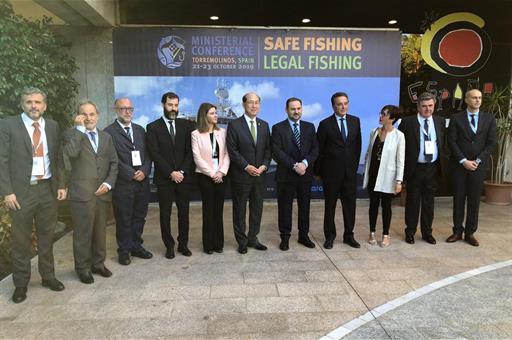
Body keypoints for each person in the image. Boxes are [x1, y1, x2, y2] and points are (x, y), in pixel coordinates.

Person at [0, 87, 67, 303]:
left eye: (38, 102)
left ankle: (48, 277)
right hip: (22, 192)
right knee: (21, 241)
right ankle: (21, 285)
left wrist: (61, 184)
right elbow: (2, 161)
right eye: (29, 102)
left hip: (47, 189)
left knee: (47, 237)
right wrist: (7, 191)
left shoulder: (53, 126)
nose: (34, 106)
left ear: (44, 106)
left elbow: (57, 158)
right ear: (22, 104)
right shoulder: (8, 124)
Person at [62, 100, 118, 284]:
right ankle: (82, 268)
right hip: (81, 194)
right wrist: (79, 130)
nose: (88, 118)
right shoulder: (71, 135)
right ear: (78, 116)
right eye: (84, 114)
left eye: (92, 114)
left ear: (98, 115)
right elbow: (70, 154)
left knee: (100, 232)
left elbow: (114, 163)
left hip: (102, 193)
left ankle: (98, 264)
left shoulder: (106, 137)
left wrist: (109, 184)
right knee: (82, 234)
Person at [146, 92, 195, 259]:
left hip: (183, 178)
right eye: (170, 105)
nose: (173, 109)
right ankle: (169, 246)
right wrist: (170, 173)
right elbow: (155, 153)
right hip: (164, 179)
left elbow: (190, 152)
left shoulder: (187, 126)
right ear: (163, 105)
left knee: (184, 213)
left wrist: (181, 172)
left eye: (176, 105)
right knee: (165, 214)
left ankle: (183, 244)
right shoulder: (152, 127)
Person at [104, 98, 153, 265]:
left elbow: (148, 154)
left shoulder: (140, 130)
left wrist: (145, 171)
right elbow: (112, 159)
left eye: (130, 108)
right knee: (124, 218)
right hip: (124, 183)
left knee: (140, 217)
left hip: (142, 182)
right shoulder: (108, 132)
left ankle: (136, 246)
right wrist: (131, 173)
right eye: (123, 108)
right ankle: (124, 250)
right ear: (116, 110)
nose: (127, 112)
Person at [447, 89, 496, 246]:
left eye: (480, 98)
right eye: (474, 97)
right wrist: (463, 160)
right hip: (460, 166)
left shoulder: (489, 119)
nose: (477, 100)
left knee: (474, 200)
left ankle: (470, 233)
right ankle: (457, 232)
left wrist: (478, 160)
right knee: (459, 199)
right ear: (466, 100)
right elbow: (451, 141)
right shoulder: (456, 118)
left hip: (478, 167)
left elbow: (491, 143)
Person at [315, 92, 362, 249]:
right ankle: (330, 236)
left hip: (350, 174)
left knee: (350, 206)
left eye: (345, 103)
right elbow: (319, 150)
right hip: (331, 174)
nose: (343, 107)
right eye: (339, 104)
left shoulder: (355, 121)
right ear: (333, 106)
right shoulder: (325, 124)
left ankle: (349, 235)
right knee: (330, 206)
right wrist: (318, 172)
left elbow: (357, 146)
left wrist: (354, 168)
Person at [271, 97, 319, 251]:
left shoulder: (310, 127)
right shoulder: (278, 128)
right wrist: (294, 165)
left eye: (298, 108)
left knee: (304, 207)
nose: (296, 111)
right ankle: (285, 237)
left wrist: (304, 164)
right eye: (293, 109)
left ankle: (303, 236)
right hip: (286, 175)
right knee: (285, 208)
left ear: (301, 109)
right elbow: (277, 152)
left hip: (305, 174)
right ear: (286, 110)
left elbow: (315, 149)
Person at [226, 92, 271, 254]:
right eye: (250, 103)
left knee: (257, 208)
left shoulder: (264, 125)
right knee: (239, 209)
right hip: (241, 175)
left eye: (257, 103)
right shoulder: (234, 125)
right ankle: (242, 241)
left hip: (259, 175)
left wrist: (264, 166)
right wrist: (247, 166)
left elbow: (268, 149)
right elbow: (232, 150)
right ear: (244, 105)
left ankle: (253, 238)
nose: (254, 106)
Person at [399, 92, 446, 245]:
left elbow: (443, 143)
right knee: (412, 202)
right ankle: (410, 232)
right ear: (418, 107)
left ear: (434, 106)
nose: (428, 109)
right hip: (415, 169)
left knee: (429, 203)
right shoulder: (407, 122)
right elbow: (400, 146)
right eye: (424, 106)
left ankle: (427, 233)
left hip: (432, 168)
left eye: (431, 106)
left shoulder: (439, 121)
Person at [362, 105, 405, 247]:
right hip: (373, 175)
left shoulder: (399, 136)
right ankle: (372, 233)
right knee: (373, 205)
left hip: (388, 177)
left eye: (384, 114)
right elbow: (369, 152)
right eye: (381, 113)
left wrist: (399, 181)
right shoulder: (374, 132)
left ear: (392, 118)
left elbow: (400, 160)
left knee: (386, 206)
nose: (381, 116)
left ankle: (386, 235)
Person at [191, 103, 230, 254]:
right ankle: (208, 245)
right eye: (213, 113)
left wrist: (221, 172)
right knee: (208, 211)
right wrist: (212, 174)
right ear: (204, 115)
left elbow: (227, 154)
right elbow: (197, 157)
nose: (216, 116)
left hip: (221, 176)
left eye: (216, 113)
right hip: (205, 177)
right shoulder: (196, 134)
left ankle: (218, 244)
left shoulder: (223, 132)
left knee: (218, 211)